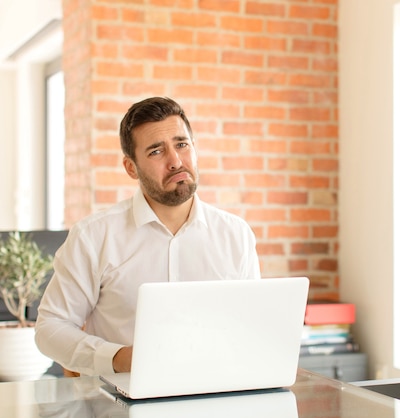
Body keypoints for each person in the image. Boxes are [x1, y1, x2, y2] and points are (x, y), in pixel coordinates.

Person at [35, 97, 261, 376]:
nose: (176, 161)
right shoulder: (93, 236)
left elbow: (251, 326)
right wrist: (118, 358)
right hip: (117, 409)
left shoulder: (235, 234)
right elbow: (50, 328)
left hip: (216, 397)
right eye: (156, 151)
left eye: (182, 144)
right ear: (131, 167)